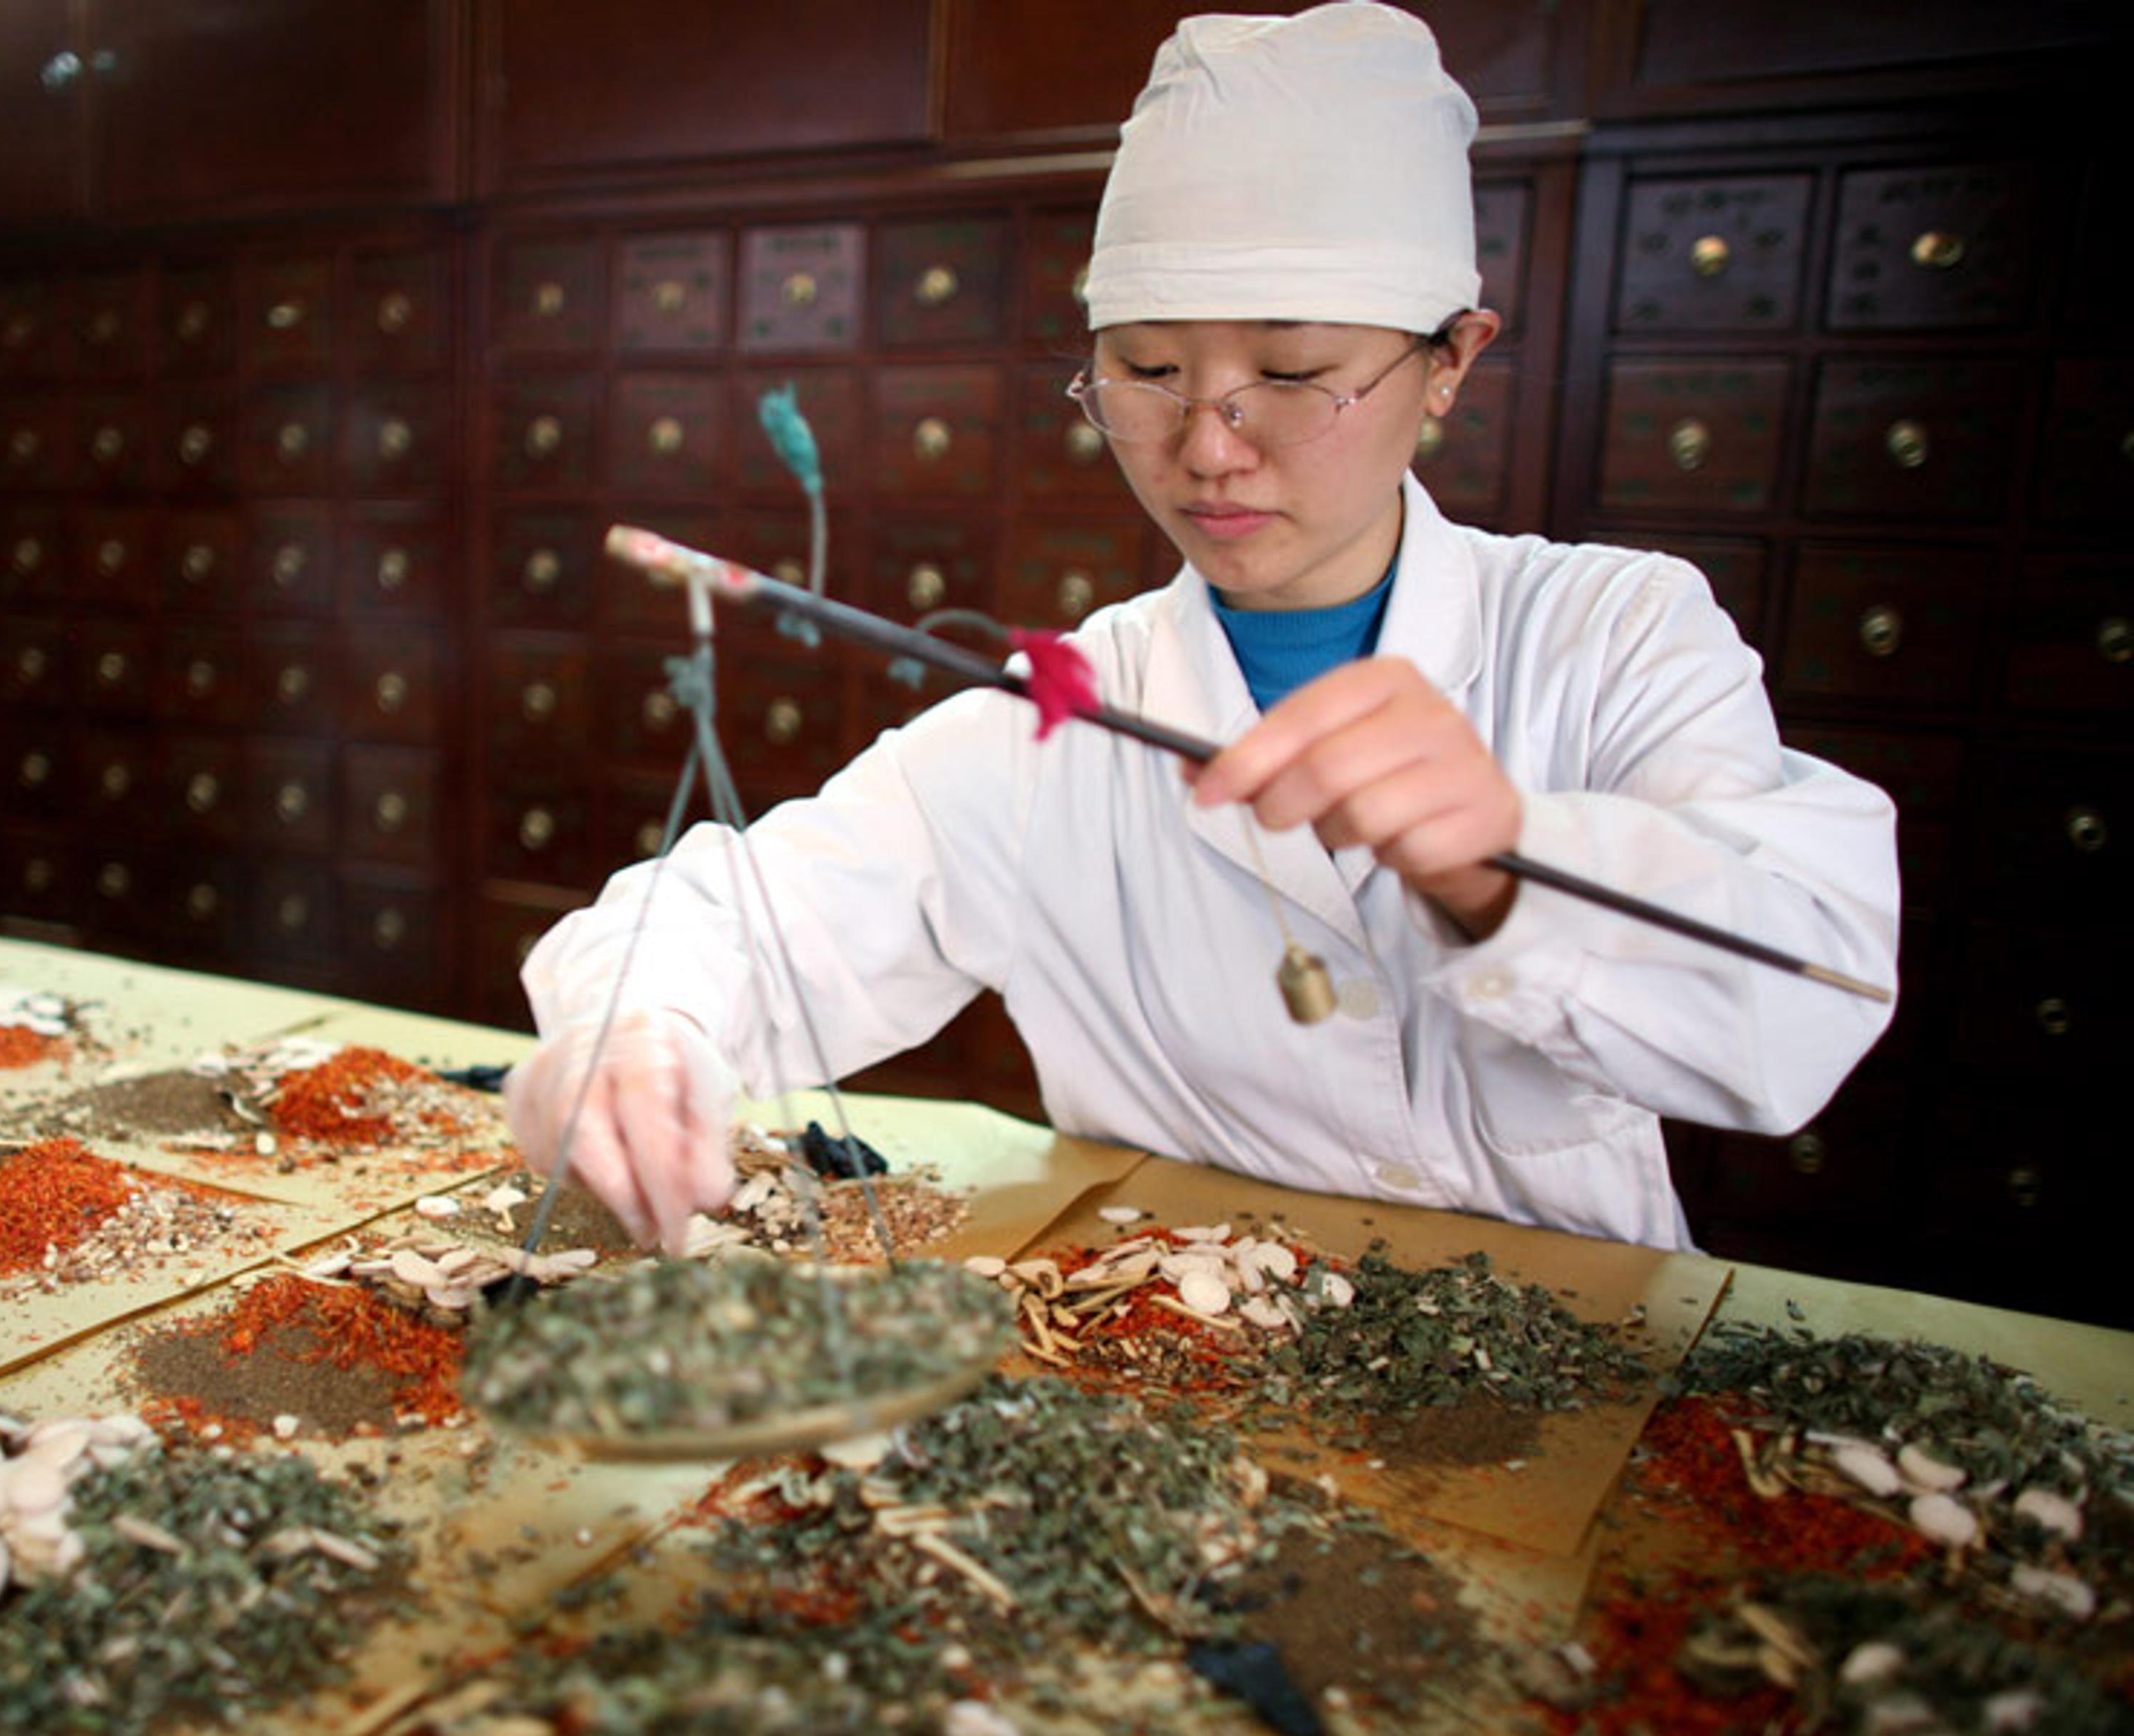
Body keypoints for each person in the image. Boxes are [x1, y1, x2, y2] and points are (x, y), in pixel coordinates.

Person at [504, 1, 1900, 1254]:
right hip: (1173, 1358)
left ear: (1449, 366)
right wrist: (637, 1029)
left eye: (1291, 373)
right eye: (1148, 372)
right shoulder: (1052, 720)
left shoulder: (1609, 636)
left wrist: (1512, 866)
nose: (1206, 447)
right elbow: (742, 920)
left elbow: (1809, 996)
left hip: (1565, 1365)